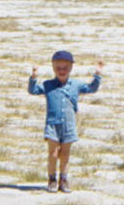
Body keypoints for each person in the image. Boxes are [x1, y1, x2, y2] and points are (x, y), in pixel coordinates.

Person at [28, 50, 103, 193]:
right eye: (58, 68)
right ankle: (51, 179)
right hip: (52, 125)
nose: (62, 71)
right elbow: (33, 90)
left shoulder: (75, 84)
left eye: (65, 68)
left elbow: (91, 88)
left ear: (71, 68)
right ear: (53, 68)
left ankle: (64, 179)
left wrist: (97, 74)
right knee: (53, 153)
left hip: (69, 125)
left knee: (65, 155)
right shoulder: (48, 85)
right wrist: (33, 77)